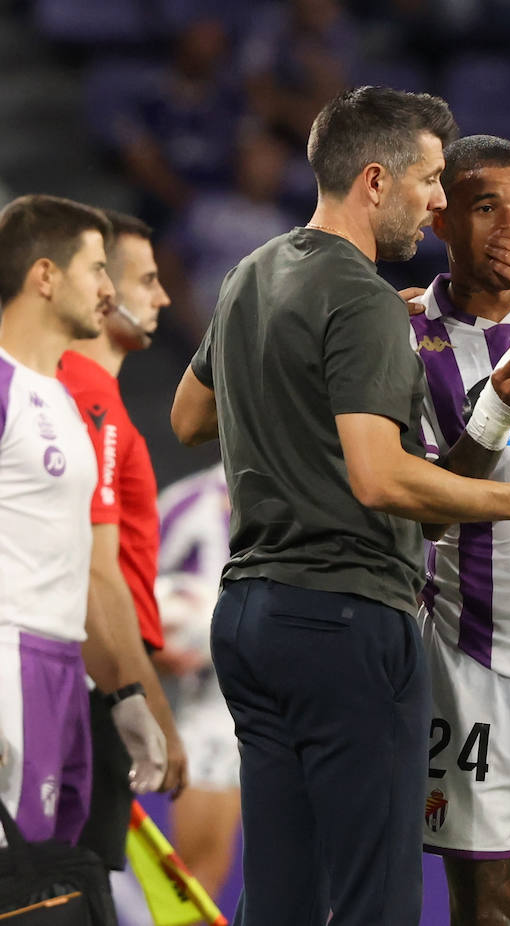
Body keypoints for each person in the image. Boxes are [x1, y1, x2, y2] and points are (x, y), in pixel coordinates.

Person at [168, 86, 510, 926]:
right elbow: (380, 479)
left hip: (250, 618)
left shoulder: (251, 274)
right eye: (430, 180)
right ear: (376, 181)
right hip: (345, 615)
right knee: (374, 900)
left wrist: (286, 414)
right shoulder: (368, 299)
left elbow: (189, 417)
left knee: (284, 898)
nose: (438, 201)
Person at [409, 134, 510, 925]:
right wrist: (496, 404)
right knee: (493, 903)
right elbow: (430, 501)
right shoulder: (406, 336)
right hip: (472, 654)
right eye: (486, 208)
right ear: (441, 219)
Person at [0, 194, 164, 844]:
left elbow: (83, 570)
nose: (108, 287)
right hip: (10, 656)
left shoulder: (66, 403)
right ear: (45, 276)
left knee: (49, 883)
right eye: (97, 268)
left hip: (64, 667)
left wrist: (125, 698)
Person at [57, 210, 189, 873]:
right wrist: (149, 709)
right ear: (101, 286)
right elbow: (96, 573)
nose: (161, 297)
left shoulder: (91, 396)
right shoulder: (88, 399)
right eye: (147, 280)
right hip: (91, 684)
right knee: (73, 884)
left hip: (93, 676)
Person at [154, 462, 239, 900]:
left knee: (328, 876)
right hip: (211, 700)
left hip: (307, 689)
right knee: (198, 879)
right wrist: (153, 642)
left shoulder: (328, 485)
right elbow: (128, 588)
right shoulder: (187, 503)